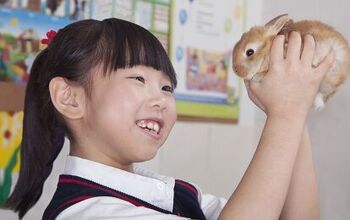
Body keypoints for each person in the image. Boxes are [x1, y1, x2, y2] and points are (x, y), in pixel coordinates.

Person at [3, 18, 334, 220]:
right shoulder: (85, 212)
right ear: (69, 97)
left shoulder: (177, 195)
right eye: (138, 79)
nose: (161, 99)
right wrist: (285, 113)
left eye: (166, 87)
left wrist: (297, 106)